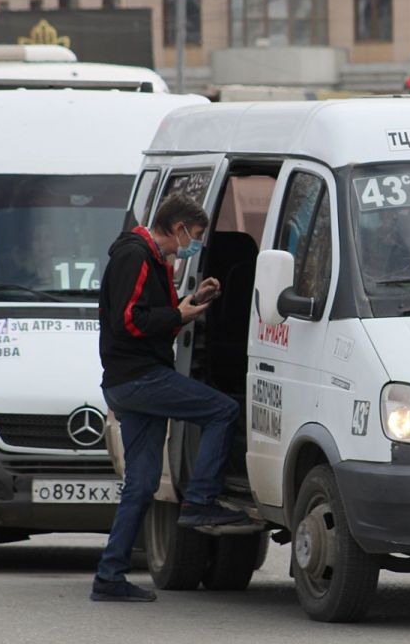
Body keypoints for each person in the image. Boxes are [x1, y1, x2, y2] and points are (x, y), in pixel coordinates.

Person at [90, 193, 245, 603]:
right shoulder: (136, 257)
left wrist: (191, 304)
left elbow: (148, 320)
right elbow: (129, 322)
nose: (195, 243)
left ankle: (109, 577)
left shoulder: (150, 259)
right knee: (223, 410)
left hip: (131, 381)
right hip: (140, 380)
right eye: (194, 235)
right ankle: (199, 501)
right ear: (177, 228)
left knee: (140, 486)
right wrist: (180, 314)